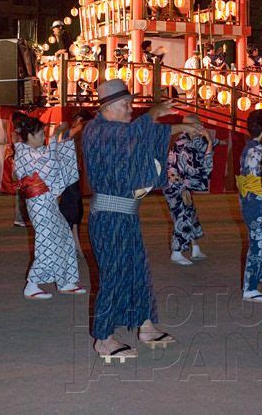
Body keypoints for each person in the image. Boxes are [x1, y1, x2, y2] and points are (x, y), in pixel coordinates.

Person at [83, 79, 204, 362]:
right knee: (114, 274)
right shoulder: (97, 131)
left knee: (138, 269)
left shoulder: (117, 130)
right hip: (109, 215)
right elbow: (134, 135)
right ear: (108, 107)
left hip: (125, 213)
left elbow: (143, 136)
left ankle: (145, 325)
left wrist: (181, 128)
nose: (130, 110)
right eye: (126, 105)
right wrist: (155, 112)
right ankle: (103, 338)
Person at [13, 113, 86, 300]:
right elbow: (49, 165)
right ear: (29, 136)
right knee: (47, 242)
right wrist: (55, 140)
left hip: (48, 202)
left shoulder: (33, 151)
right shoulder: (23, 152)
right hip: (39, 204)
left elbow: (51, 157)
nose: (42, 138)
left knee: (63, 236)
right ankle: (32, 283)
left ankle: (65, 280)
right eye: (39, 135)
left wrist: (61, 139)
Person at [163, 114, 215, 265]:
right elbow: (195, 170)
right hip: (177, 186)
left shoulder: (191, 138)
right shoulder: (184, 144)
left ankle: (195, 247)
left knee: (190, 214)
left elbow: (202, 148)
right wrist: (210, 144)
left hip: (181, 183)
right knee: (182, 217)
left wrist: (211, 142)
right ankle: (177, 252)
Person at [236, 109, 262, 301]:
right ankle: (250, 287)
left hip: (251, 200)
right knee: (259, 243)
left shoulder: (251, 147)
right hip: (255, 201)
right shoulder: (256, 150)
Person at [59, 109, 94, 258]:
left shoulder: (73, 133)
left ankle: (73, 246)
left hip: (72, 175)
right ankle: (69, 247)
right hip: (71, 176)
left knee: (75, 212)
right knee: (72, 212)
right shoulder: (77, 132)